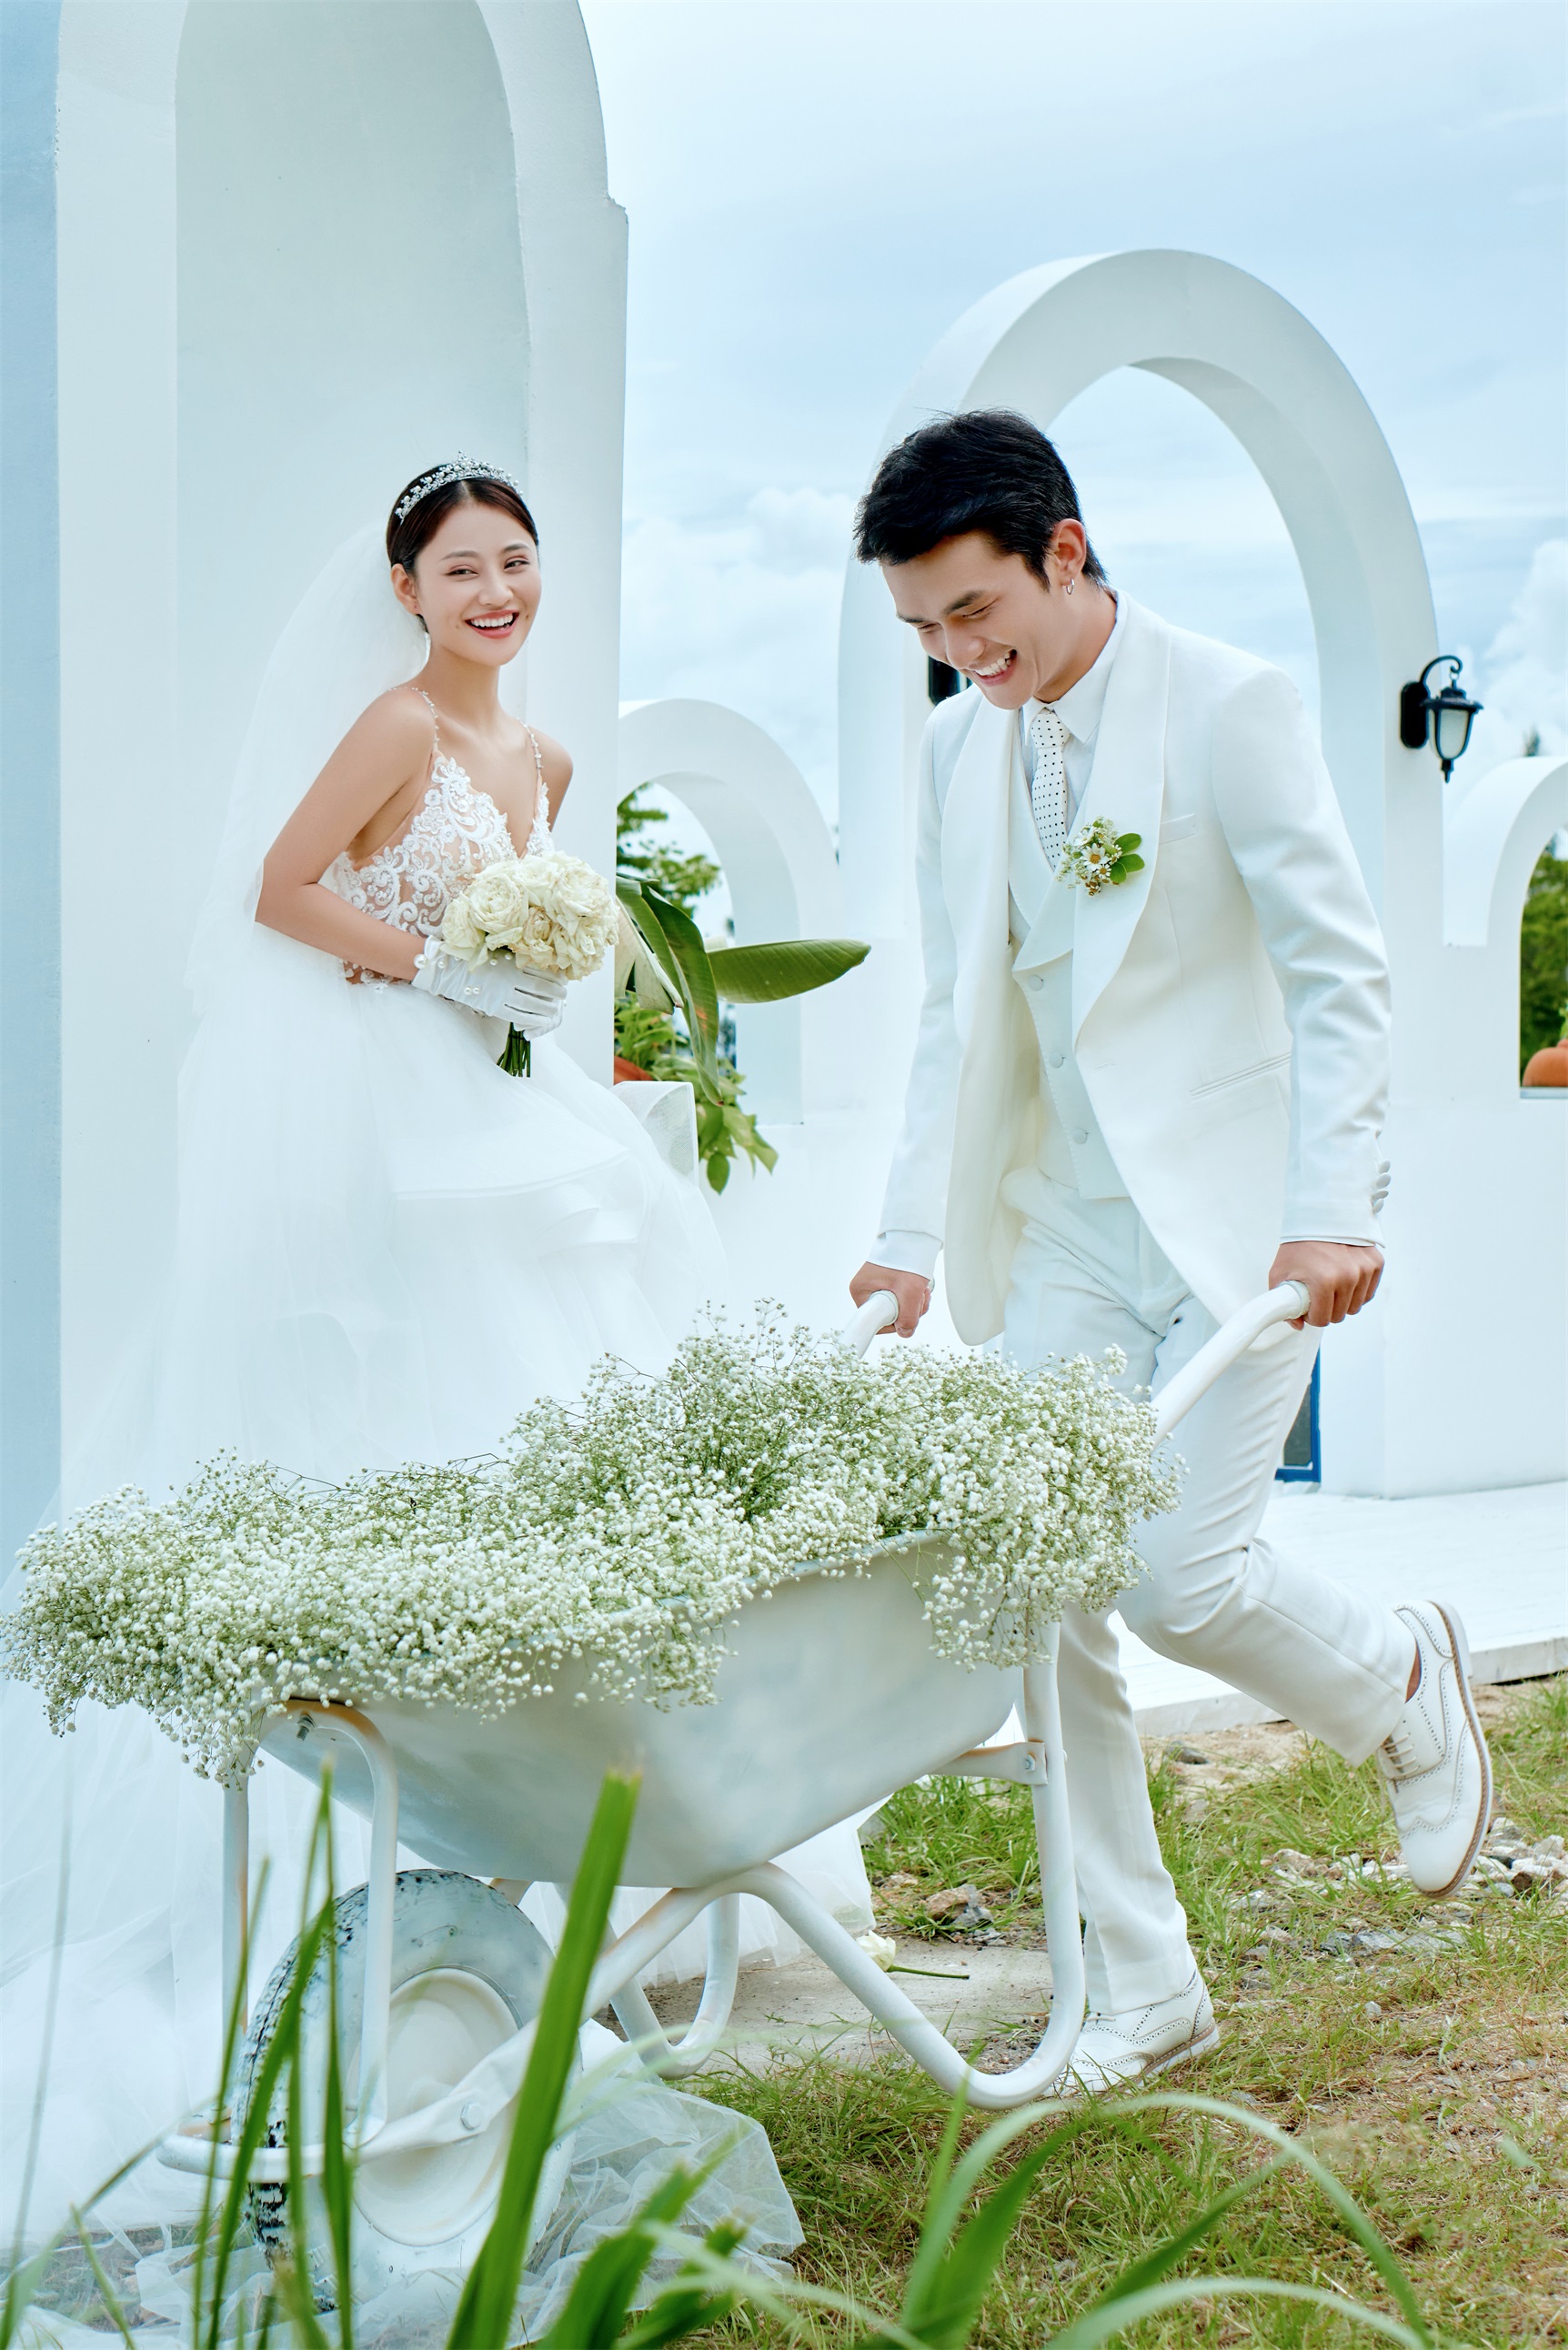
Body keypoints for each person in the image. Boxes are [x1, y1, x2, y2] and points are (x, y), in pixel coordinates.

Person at [0, 460, 863, 2275]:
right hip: (387, 1123)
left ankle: (543, 1857)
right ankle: (369, 1882)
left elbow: (542, 954)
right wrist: (434, 967)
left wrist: (525, 997)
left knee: (555, 1428)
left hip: (510, 1119)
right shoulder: (397, 725)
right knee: (415, 1436)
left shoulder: (543, 760)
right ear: (406, 587)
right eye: (462, 566)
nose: (495, 592)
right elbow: (279, 889)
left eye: (516, 563)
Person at [849, 410, 1492, 2097]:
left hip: (1241, 1225)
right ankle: (1143, 1986)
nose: (959, 652)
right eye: (924, 628)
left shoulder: (1230, 702)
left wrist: (1334, 1205)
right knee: (1045, 1589)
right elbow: (955, 1011)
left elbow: (1339, 968)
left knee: (1177, 1577)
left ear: (1063, 549)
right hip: (1058, 1223)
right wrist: (908, 1237)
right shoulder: (955, 752)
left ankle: (1400, 1680)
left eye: (975, 611)